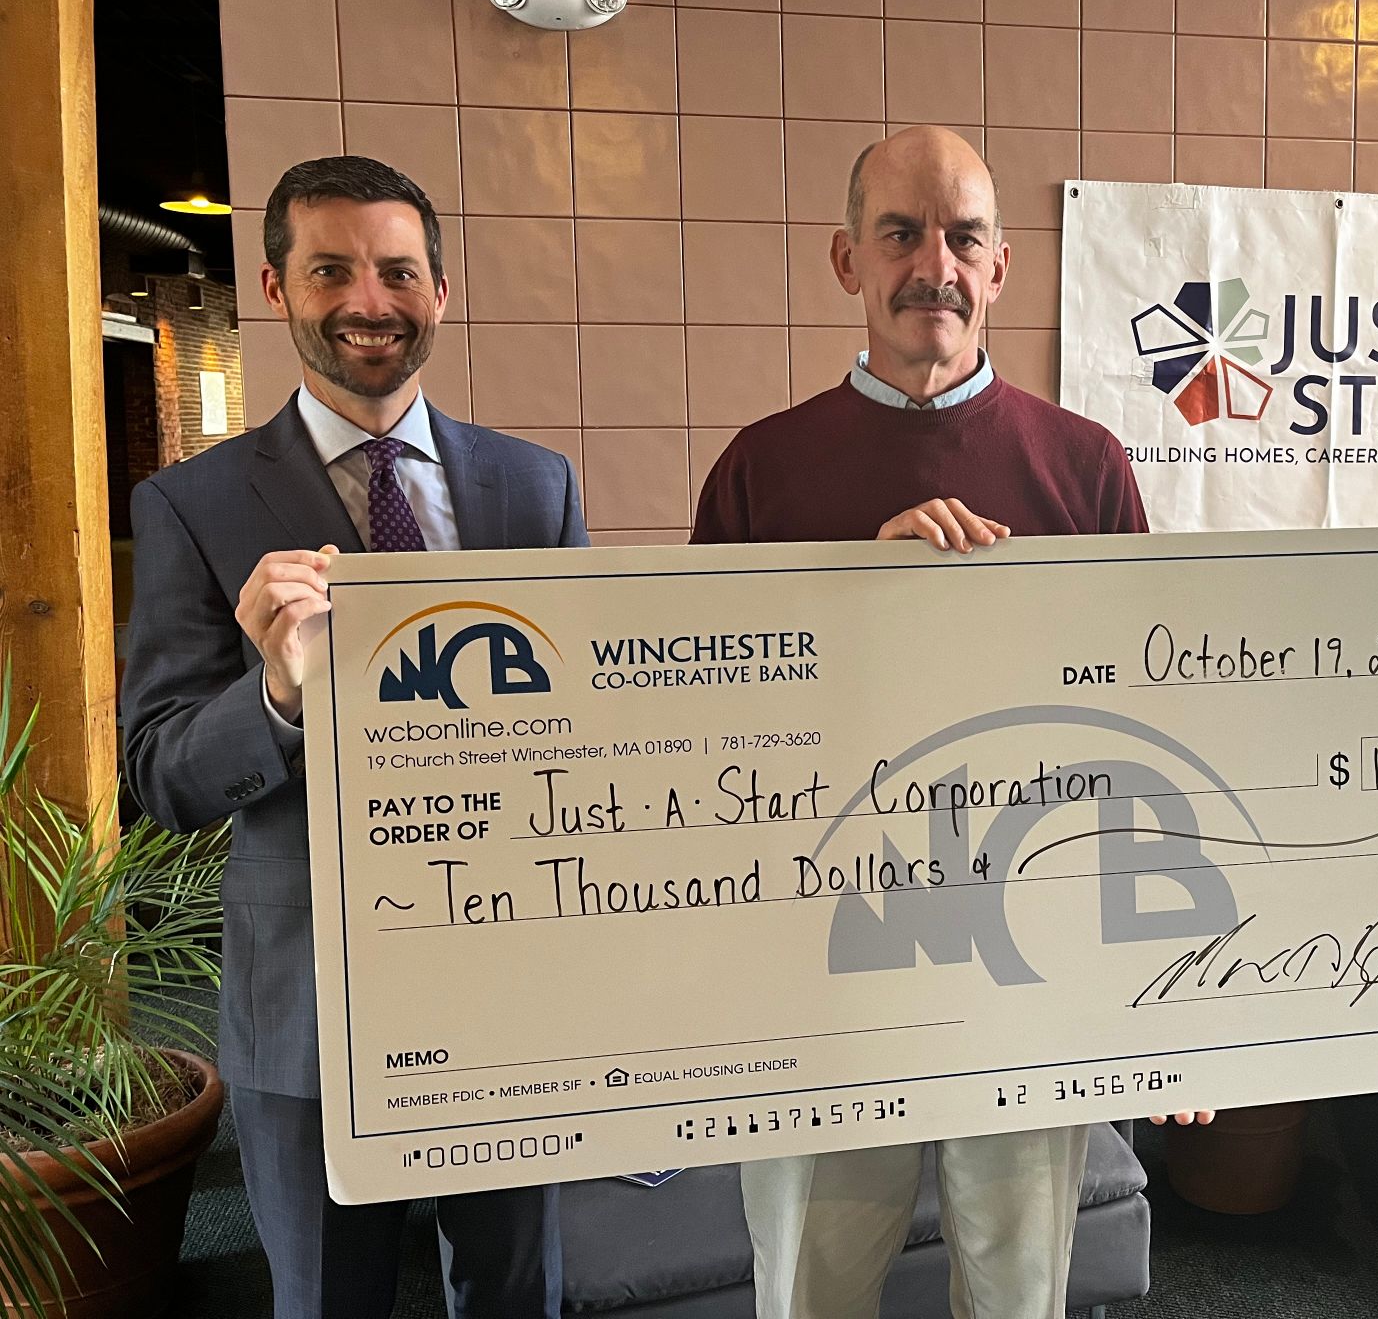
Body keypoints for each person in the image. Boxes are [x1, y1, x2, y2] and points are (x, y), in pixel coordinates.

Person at [693, 125, 1207, 1318]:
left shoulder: (1084, 467)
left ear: (1002, 264)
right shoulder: (759, 472)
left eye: (963, 236)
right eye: (901, 233)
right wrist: (853, 609)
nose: (937, 262)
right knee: (808, 1292)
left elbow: (1146, 728)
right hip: (822, 957)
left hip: (1033, 956)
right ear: (845, 261)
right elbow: (709, 727)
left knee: (1020, 1293)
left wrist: (1177, 991)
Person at [121, 156, 586, 1318]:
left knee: (518, 1292)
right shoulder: (195, 503)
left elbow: (589, 732)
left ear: (442, 289)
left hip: (508, 989)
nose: (367, 302)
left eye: (396, 271)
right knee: (331, 1301)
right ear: (276, 286)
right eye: (330, 270)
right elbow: (161, 776)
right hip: (310, 1010)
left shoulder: (536, 489)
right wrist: (276, 690)